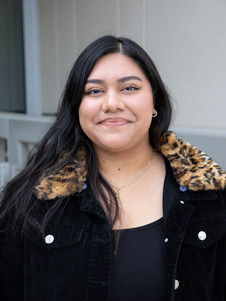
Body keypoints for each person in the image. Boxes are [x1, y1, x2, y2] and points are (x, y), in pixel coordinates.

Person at [0, 35, 225, 301]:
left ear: (154, 101)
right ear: (76, 107)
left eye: (129, 88)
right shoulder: (32, 202)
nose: (112, 104)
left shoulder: (210, 196)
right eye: (94, 91)